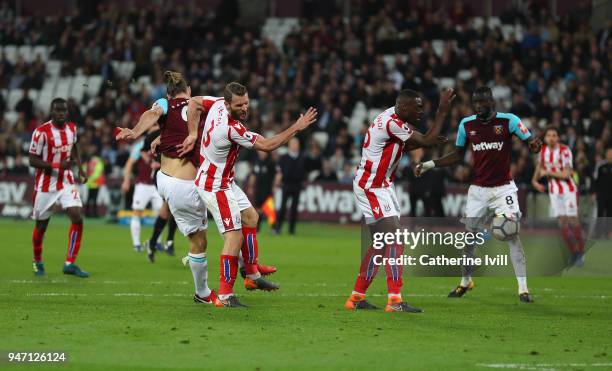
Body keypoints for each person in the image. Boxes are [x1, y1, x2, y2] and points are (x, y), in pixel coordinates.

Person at [183, 82, 317, 307]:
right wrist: (296, 126)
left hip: (223, 179)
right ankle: (225, 296)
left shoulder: (215, 103)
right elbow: (267, 145)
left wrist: (193, 133)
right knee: (234, 237)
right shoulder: (230, 128)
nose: (245, 108)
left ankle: (252, 275)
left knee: (251, 217)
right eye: (239, 105)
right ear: (228, 104)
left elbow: (194, 101)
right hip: (214, 186)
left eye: (246, 102)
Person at [416, 86, 542, 303]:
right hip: (478, 191)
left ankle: (523, 289)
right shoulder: (467, 124)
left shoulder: (508, 120)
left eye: (482, 103)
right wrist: (429, 164)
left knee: (512, 234)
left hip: (504, 189)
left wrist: (534, 144)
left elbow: (530, 140)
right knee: (468, 239)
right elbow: (457, 155)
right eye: (476, 103)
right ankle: (466, 282)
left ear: (491, 102)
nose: (479, 107)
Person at [345, 88, 454, 313]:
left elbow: (407, 143)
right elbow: (427, 138)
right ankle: (395, 300)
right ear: (404, 107)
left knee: (381, 243)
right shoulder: (391, 122)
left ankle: (356, 297)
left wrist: (426, 142)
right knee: (395, 238)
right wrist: (442, 110)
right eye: (418, 107)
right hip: (372, 186)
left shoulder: (392, 118)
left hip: (382, 185)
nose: (421, 112)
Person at [116, 71, 214, 304]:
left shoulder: (165, 104)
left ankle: (169, 244)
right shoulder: (198, 104)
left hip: (165, 178)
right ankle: (204, 292)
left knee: (203, 233)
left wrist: (136, 131)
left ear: (168, 94)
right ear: (189, 90)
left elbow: (152, 114)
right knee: (200, 240)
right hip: (184, 184)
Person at [28, 98, 89, 277]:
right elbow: (32, 160)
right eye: (58, 111)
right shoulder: (41, 133)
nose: (61, 114)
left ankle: (70, 263)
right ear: (51, 111)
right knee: (41, 227)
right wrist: (56, 166)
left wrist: (80, 168)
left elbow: (74, 146)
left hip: (66, 182)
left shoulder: (72, 129)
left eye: (64, 111)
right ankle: (37, 261)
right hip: (45, 186)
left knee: (77, 217)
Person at [532, 126, 585, 266]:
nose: (551, 138)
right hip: (555, 192)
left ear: (558, 137)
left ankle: (581, 252)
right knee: (562, 223)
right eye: (549, 135)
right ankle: (574, 253)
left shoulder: (565, 151)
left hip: (569, 190)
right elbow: (539, 168)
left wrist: (547, 172)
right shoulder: (542, 151)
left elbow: (566, 174)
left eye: (554, 135)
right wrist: (534, 181)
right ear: (545, 138)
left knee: (573, 220)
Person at [121, 126, 164, 252]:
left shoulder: (164, 142)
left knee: (161, 214)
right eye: (153, 129)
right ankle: (136, 244)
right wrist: (126, 181)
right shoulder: (140, 146)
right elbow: (129, 163)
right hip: (143, 185)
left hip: (159, 185)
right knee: (137, 212)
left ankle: (157, 242)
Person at [274, 138, 306, 235]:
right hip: (286, 184)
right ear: (289, 146)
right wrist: (277, 182)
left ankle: (291, 230)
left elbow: (304, 172)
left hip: (297, 185)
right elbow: (279, 171)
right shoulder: (284, 157)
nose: (295, 145)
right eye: (293, 144)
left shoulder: (302, 158)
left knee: (294, 208)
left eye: (296, 144)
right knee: (283, 207)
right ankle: (278, 227)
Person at [83, 144, 105, 218]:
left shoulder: (88, 161)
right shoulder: (98, 161)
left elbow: (83, 169)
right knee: (94, 199)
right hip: (96, 182)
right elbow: (98, 172)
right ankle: (94, 213)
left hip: (89, 183)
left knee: (89, 198)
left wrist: (87, 179)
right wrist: (92, 179)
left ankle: (87, 213)